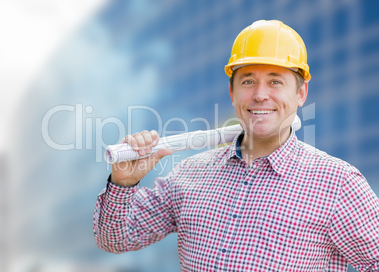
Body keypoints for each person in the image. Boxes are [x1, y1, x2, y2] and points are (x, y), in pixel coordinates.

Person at [93, 20, 379, 271]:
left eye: (275, 81)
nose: (260, 95)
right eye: (249, 81)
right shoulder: (190, 175)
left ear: (301, 92)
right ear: (232, 92)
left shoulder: (338, 185)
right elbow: (115, 240)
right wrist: (123, 184)